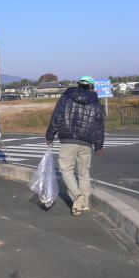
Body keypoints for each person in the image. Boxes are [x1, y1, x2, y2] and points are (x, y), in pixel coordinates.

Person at [45, 76, 105, 216]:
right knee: (84, 173)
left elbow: (57, 118)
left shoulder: (66, 98)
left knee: (66, 169)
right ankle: (84, 204)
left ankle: (77, 195)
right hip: (86, 142)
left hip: (68, 140)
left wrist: (50, 136)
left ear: (78, 85)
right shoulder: (96, 103)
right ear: (91, 87)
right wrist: (99, 146)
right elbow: (99, 127)